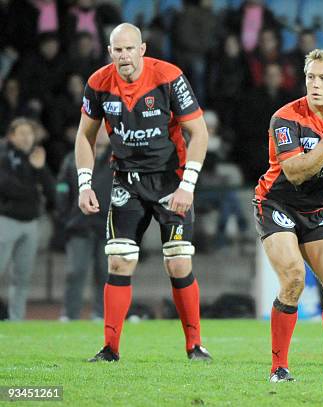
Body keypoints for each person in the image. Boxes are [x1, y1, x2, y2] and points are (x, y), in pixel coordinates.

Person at [74, 23, 210, 362]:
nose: (123, 56)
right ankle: (110, 349)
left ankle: (195, 346)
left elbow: (199, 133)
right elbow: (84, 136)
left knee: (178, 262)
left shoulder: (169, 77)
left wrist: (187, 185)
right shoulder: (98, 83)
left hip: (170, 180)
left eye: (129, 49)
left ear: (142, 49)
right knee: (119, 261)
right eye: (117, 50)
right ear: (110, 53)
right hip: (126, 181)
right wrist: (84, 183)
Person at [254, 49, 323, 382]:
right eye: (310, 77)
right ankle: (279, 368)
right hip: (276, 203)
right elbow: (295, 172)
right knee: (293, 278)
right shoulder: (285, 118)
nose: (314, 85)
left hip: (318, 208)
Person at [0, 117, 55, 320]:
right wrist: (33, 189)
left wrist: (39, 169)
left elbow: (52, 191)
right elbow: (6, 187)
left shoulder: (36, 157)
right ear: (11, 136)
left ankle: (16, 319)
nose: (26, 138)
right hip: (6, 220)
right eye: (21, 133)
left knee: (22, 277)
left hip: (31, 223)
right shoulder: (3, 155)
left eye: (29, 133)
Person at [57, 124, 113, 320]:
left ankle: (101, 314)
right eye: (97, 129)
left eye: (105, 129)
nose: (101, 133)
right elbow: (62, 188)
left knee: (105, 273)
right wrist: (66, 215)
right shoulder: (73, 157)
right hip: (79, 224)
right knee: (75, 272)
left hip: (107, 225)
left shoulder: (120, 156)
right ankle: (70, 314)